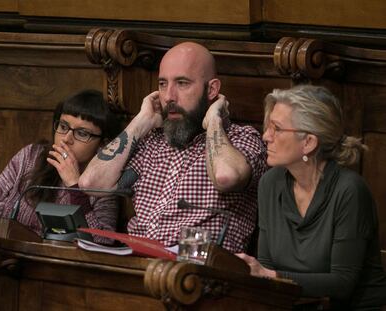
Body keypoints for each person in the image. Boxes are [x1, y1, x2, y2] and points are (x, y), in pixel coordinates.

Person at [79, 42, 268, 253]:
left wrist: (214, 120)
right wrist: (140, 123)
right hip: (136, 262)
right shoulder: (151, 142)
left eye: (182, 83)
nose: (169, 96)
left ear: (212, 89)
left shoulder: (242, 139)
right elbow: (91, 183)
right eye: (162, 84)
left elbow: (226, 178)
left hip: (199, 270)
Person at [237, 85, 386, 310]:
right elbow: (266, 267)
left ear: (308, 142)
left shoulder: (349, 190)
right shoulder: (270, 183)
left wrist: (268, 274)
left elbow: (342, 283)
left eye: (276, 128)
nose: (265, 136)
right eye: (268, 127)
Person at [0, 89, 122, 244]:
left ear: (103, 144)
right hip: (0, 255)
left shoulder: (105, 184)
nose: (66, 138)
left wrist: (74, 186)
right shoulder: (31, 155)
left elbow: (103, 242)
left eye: (82, 133)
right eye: (63, 127)